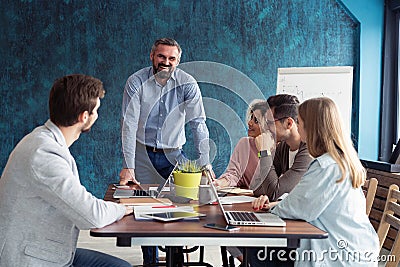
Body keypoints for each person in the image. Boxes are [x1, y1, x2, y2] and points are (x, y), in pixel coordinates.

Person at [0, 74, 133, 267]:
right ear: (84, 117)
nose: (97, 116)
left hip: (45, 249)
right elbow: (92, 215)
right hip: (28, 259)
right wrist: (124, 209)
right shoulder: (44, 154)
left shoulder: (42, 139)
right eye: (96, 110)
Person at [251, 97, 380, 266]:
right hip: (347, 247)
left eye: (299, 121)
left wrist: (274, 208)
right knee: (256, 251)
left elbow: (296, 207)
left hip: (339, 255)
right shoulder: (334, 161)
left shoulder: (326, 166)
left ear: (311, 127)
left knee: (254, 251)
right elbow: (297, 201)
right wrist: (277, 204)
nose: (297, 125)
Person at [119, 37, 211, 265]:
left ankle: (175, 260)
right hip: (143, 155)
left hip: (174, 155)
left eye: (172, 58)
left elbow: (198, 123)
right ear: (152, 56)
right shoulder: (136, 81)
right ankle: (150, 262)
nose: (166, 62)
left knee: (181, 209)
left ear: (178, 60)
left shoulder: (187, 83)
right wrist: (129, 166)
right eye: (161, 56)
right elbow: (128, 124)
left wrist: (205, 162)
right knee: (144, 212)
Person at [224, 95, 313, 265]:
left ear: (289, 123)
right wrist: (266, 196)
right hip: (289, 223)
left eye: (270, 124)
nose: (267, 129)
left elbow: (275, 191)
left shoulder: (307, 152)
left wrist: (264, 152)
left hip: (303, 237)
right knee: (232, 236)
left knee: (242, 243)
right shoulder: (284, 148)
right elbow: (259, 188)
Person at [214, 99, 264, 189]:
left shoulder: (280, 149)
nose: (249, 123)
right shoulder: (244, 144)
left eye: (256, 121)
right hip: (245, 199)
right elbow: (234, 174)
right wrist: (220, 183)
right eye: (251, 118)